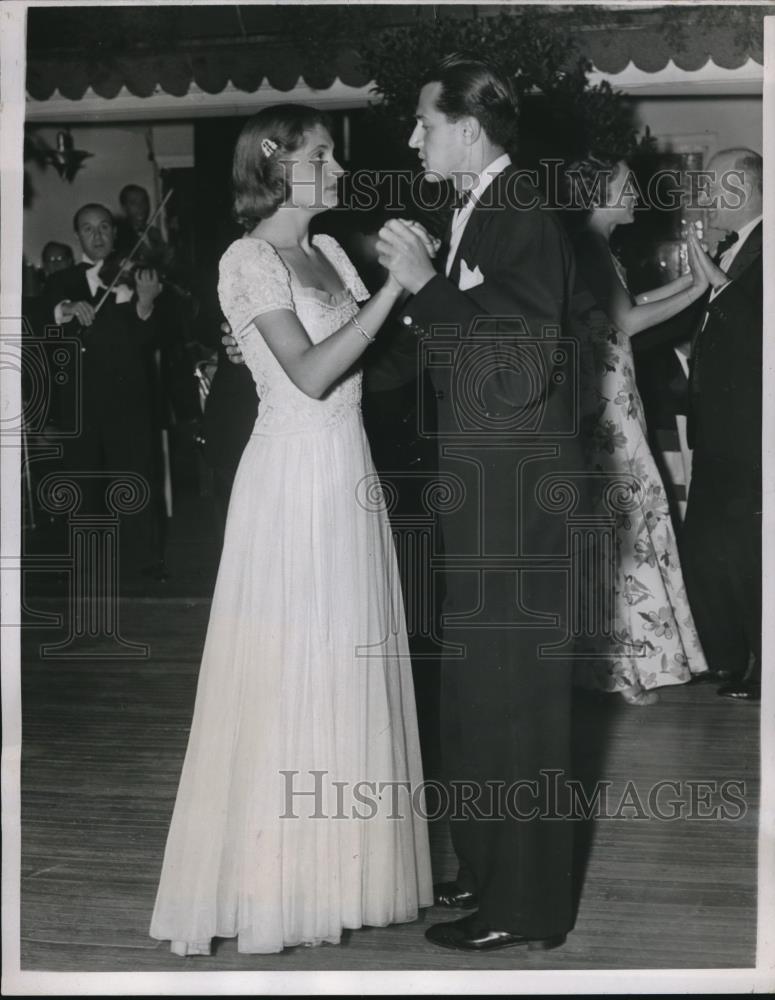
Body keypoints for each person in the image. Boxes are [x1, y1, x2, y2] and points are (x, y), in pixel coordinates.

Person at [149, 105, 433, 956]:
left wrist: (418, 294)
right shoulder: (247, 259)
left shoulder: (333, 250)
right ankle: (278, 886)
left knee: (346, 660)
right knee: (288, 672)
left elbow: (368, 362)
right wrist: (395, 291)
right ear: (276, 165)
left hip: (349, 473)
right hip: (291, 480)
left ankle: (343, 877)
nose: (341, 169)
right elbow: (309, 374)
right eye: (324, 156)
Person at [374, 54, 586, 953]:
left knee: (513, 701)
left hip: (515, 503)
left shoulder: (522, 209)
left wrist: (424, 285)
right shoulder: (481, 212)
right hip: (487, 494)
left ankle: (523, 906)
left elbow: (522, 356)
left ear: (467, 129)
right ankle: (493, 871)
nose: (412, 136)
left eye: (423, 122)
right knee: (479, 694)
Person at [563, 155, 709, 705]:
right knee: (624, 528)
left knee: (620, 528)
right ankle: (624, 669)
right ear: (598, 192)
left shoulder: (594, 247)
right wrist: (697, 288)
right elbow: (626, 321)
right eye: (626, 186)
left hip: (612, 403)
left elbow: (629, 305)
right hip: (607, 410)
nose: (635, 194)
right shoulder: (588, 246)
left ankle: (623, 664)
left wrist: (692, 284)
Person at [43, 203, 165, 578]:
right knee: (82, 483)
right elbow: (40, 316)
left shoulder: (134, 277)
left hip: (127, 398)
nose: (97, 236)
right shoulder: (60, 282)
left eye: (104, 228)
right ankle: (86, 564)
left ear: (115, 232)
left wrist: (144, 302)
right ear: (77, 235)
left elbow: (148, 339)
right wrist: (65, 309)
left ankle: (143, 562)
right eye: (88, 229)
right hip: (79, 401)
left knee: (135, 478)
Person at [680, 149, 763, 702]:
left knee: (750, 548)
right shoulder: (737, 248)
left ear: (747, 186)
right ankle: (729, 659)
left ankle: (761, 668)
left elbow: (758, 322)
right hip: (717, 427)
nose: (706, 197)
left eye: (715, 186)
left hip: (751, 430)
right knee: (710, 544)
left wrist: (713, 278)